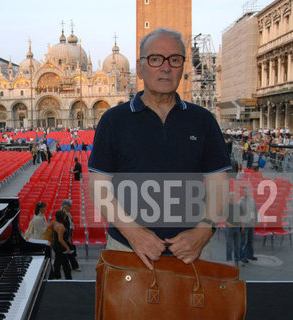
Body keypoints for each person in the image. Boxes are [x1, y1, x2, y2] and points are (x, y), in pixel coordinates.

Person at [88, 28, 231, 270]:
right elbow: (98, 185)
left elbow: (219, 182)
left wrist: (204, 230)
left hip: (193, 251)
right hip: (128, 248)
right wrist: (134, 233)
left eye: (174, 60)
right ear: (140, 66)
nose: (166, 67)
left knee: (196, 309)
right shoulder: (113, 120)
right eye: (155, 59)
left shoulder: (203, 120)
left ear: (183, 66)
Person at [50, 210, 73, 279]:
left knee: (57, 261)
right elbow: (60, 239)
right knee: (65, 264)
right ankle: (68, 278)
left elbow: (49, 229)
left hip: (55, 245)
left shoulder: (54, 222)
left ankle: (56, 276)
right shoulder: (61, 227)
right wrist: (67, 248)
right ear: (63, 217)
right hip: (60, 247)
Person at [224, 192, 244, 264]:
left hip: (237, 228)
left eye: (234, 196)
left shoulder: (238, 206)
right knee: (229, 245)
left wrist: (242, 225)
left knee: (237, 245)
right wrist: (227, 223)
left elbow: (241, 216)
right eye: (232, 196)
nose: (233, 197)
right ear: (229, 198)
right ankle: (229, 260)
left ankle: (236, 259)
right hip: (229, 228)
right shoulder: (226, 206)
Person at [239, 188, 258, 262]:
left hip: (251, 224)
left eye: (248, 192)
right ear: (243, 193)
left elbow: (255, 210)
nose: (246, 193)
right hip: (244, 224)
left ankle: (250, 255)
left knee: (250, 240)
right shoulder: (240, 202)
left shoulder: (252, 200)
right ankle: (242, 256)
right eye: (245, 192)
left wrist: (256, 220)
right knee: (242, 241)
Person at [61, 200, 80, 271]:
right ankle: (75, 266)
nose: (71, 207)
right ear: (65, 206)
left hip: (67, 235)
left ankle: (63, 264)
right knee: (70, 250)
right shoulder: (63, 214)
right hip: (65, 236)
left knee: (65, 251)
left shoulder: (67, 213)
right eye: (69, 206)